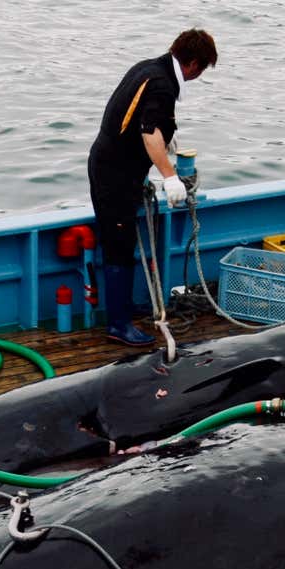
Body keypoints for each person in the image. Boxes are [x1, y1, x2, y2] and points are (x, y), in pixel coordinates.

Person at [87, 29, 218, 346]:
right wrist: (170, 176)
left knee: (124, 241)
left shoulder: (147, 67)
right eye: (201, 71)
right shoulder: (162, 85)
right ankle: (118, 324)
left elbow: (135, 121)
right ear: (193, 65)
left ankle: (125, 309)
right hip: (114, 175)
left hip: (116, 168)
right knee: (119, 246)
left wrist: (164, 141)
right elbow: (148, 133)